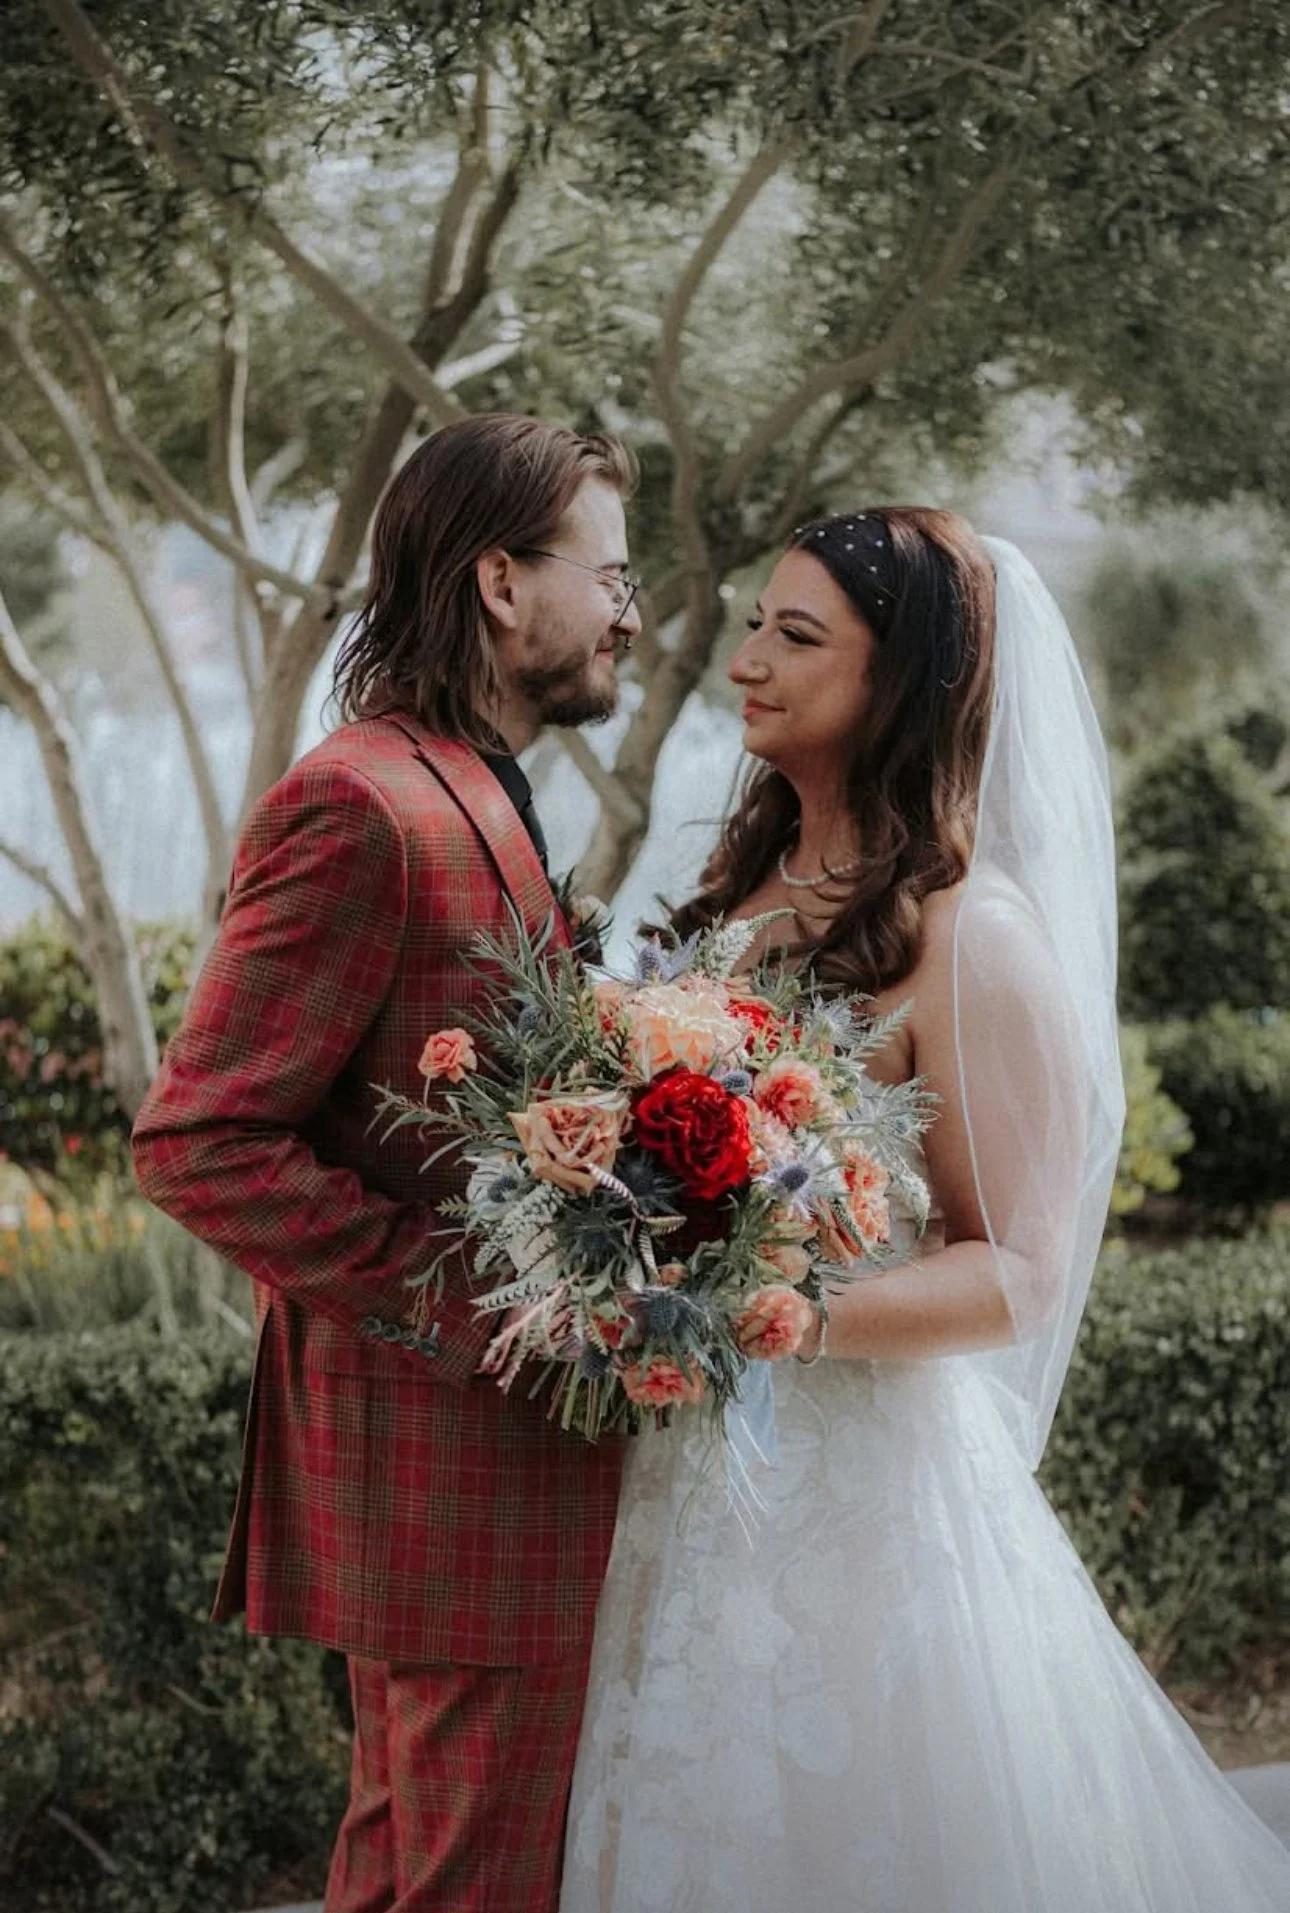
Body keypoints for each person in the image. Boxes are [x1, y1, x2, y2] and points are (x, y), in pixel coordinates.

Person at [559, 509, 1290, 1912]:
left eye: (794, 635)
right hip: (691, 1493)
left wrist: (771, 1310)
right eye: (753, 624)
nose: (742, 664)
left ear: (897, 682)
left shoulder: (975, 938)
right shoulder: (737, 900)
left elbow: (1015, 1267)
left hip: (867, 1517)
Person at [132, 413, 642, 1913]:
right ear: (499, 582)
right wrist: (470, 1303)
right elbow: (200, 1139)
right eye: (607, 571)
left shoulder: (473, 784)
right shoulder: (360, 804)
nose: (629, 606)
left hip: (496, 1477)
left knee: (411, 1880)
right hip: (449, 1471)